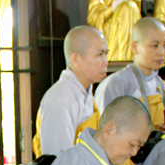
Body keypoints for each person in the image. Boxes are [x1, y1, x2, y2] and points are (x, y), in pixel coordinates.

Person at [32, 26, 109, 158]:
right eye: (99, 55)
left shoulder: (85, 91)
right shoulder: (60, 98)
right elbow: (59, 159)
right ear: (76, 59)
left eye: (106, 54)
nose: (106, 62)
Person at [95, 17, 165, 132]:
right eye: (155, 45)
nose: (162, 52)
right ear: (135, 47)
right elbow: (104, 131)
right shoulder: (116, 85)